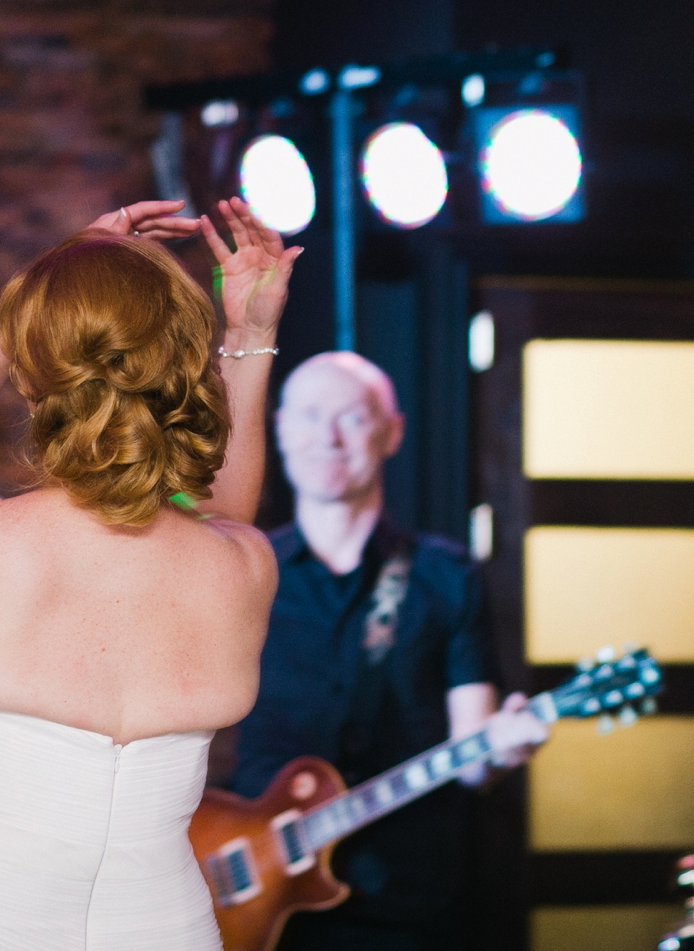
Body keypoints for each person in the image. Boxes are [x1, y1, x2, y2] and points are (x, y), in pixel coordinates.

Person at [0, 199, 298, 951]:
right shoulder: (243, 566)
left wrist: (49, 285)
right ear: (176, 377)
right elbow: (218, 516)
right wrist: (250, 336)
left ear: (36, 375)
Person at [228, 351, 551, 951]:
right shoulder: (243, 573)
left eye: (350, 417)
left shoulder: (446, 576)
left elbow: (473, 754)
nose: (327, 437)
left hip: (407, 902)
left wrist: (504, 750)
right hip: (255, 899)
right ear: (280, 430)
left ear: (392, 432)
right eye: (308, 416)